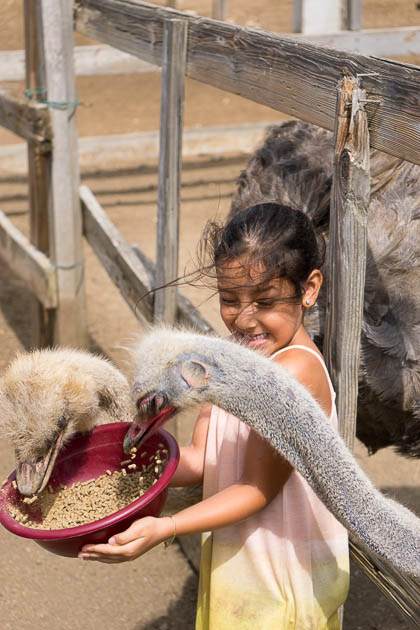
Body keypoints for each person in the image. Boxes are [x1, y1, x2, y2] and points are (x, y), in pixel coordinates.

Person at [79, 203, 350, 630]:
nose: (243, 319)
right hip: (240, 566)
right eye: (229, 299)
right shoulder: (227, 359)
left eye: (264, 301)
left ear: (309, 288)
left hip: (280, 581)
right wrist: (124, 465)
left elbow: (257, 489)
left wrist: (165, 527)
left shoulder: (293, 372)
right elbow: (204, 459)